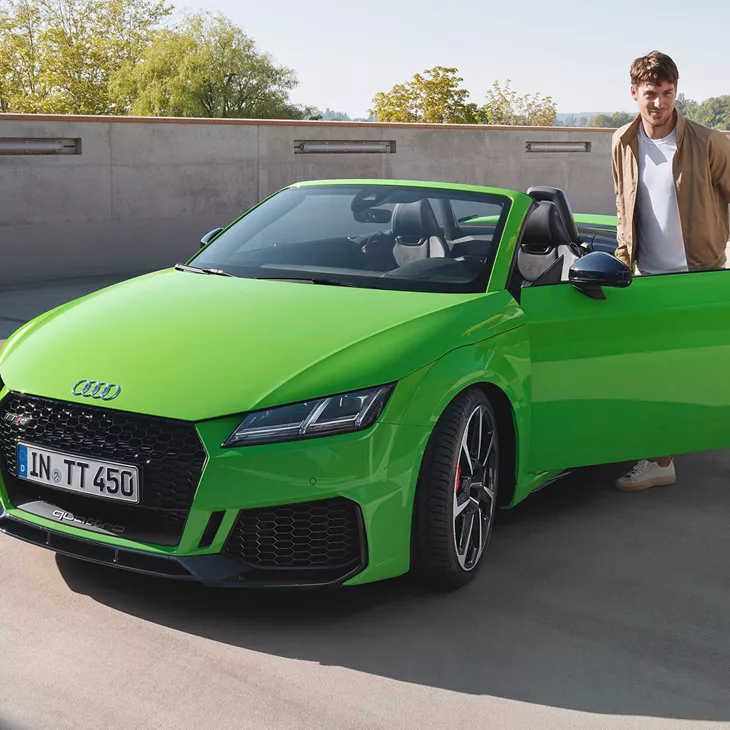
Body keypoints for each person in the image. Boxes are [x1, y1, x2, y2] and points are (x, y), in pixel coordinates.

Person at [611, 50, 730, 492]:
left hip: (701, 276)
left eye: (667, 93)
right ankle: (661, 460)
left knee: (713, 372)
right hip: (650, 281)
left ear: (676, 92)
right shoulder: (622, 141)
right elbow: (624, 209)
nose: (659, 103)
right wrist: (623, 264)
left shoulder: (708, 142)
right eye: (650, 94)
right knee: (657, 373)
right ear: (634, 94)